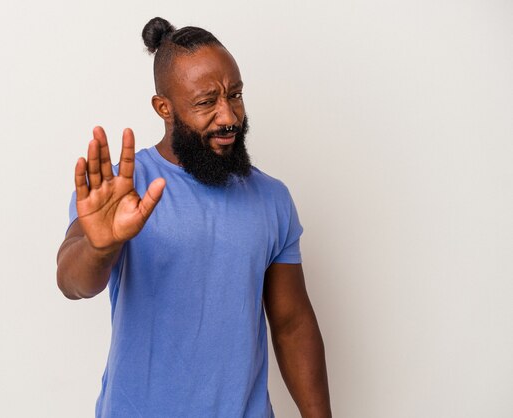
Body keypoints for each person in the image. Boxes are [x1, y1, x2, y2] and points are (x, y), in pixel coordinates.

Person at [56, 17, 331, 418]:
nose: (228, 116)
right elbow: (72, 282)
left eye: (234, 95)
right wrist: (101, 246)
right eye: (206, 102)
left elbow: (292, 324)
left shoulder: (272, 199)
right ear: (163, 107)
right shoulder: (119, 191)